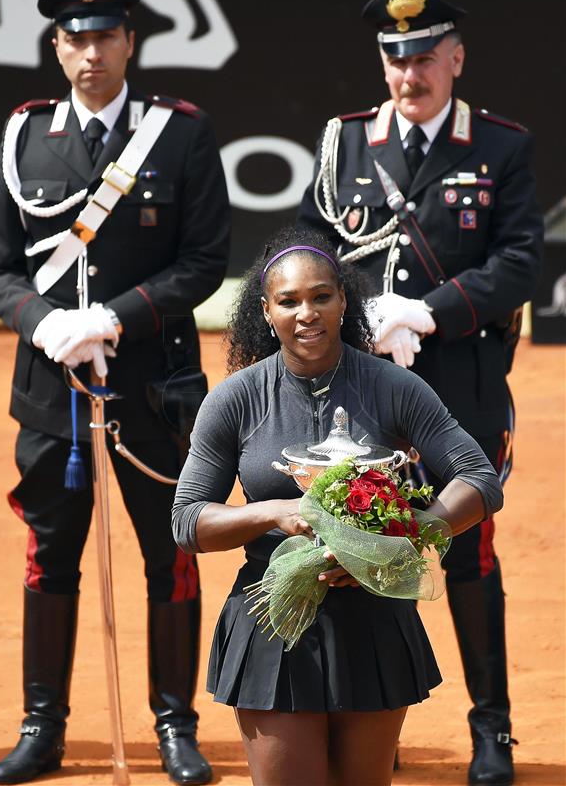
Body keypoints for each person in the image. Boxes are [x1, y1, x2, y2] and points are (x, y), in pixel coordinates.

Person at [0, 0, 230, 784]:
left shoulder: (181, 133)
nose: (92, 53)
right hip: (53, 390)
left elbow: (204, 261)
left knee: (171, 552)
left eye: (108, 36)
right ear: (56, 46)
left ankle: (174, 727)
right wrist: (43, 321)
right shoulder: (25, 134)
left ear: (129, 42)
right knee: (50, 556)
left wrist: (113, 319)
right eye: (76, 39)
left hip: (153, 385)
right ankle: (42, 727)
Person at [297, 0, 544, 783]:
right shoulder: (345, 144)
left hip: (458, 385)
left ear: (456, 59)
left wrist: (429, 312)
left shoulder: (500, 147)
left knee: (467, 552)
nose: (411, 72)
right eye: (397, 57)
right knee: (361, 545)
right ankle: (375, 725)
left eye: (426, 55)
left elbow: (519, 262)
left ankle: (491, 730)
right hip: (362, 386)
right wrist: (366, 315)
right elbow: (310, 243)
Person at [171, 226, 503, 786]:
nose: (307, 313)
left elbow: (479, 479)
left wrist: (409, 533)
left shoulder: (393, 385)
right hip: (274, 620)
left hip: (374, 617)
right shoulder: (235, 398)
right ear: (267, 310)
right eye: (289, 301)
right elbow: (187, 520)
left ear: (344, 300)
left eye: (322, 296)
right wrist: (274, 513)